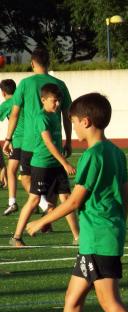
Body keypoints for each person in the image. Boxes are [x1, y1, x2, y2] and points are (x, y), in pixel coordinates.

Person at [14, 92, 128, 312]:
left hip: (97, 238)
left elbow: (75, 201)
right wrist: (117, 226)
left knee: (109, 301)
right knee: (73, 298)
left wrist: (42, 221)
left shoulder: (93, 155)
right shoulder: (116, 152)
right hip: (104, 235)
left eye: (75, 122)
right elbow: (126, 198)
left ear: (87, 121)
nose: (73, 128)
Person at [2, 47, 72, 216]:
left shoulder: (25, 84)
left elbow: (14, 114)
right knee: (54, 183)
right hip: (53, 142)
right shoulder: (60, 85)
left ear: (32, 63)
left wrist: (8, 138)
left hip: (30, 142)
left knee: (26, 177)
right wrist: (68, 140)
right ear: (48, 62)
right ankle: (48, 214)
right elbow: (67, 115)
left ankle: (45, 207)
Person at [9, 83, 79, 247]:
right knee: (34, 200)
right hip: (42, 165)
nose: (57, 104)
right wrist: (65, 163)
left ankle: (77, 237)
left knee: (66, 198)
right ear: (43, 100)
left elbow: (57, 141)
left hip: (56, 165)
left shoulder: (55, 115)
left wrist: (67, 144)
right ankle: (17, 237)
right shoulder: (41, 118)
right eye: (54, 101)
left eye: (59, 100)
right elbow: (48, 143)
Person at [1, 78, 23, 214]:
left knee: (12, 171)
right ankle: (40, 202)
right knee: (28, 174)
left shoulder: (7, 104)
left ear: (3, 93)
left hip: (20, 141)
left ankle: (45, 205)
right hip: (34, 140)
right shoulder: (22, 100)